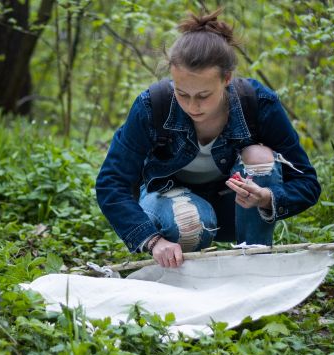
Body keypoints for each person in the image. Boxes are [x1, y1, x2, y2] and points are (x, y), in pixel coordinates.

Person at [95, 9, 321, 269]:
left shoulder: (258, 104)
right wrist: (153, 241)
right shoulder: (151, 105)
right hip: (173, 207)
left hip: (234, 210)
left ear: (227, 79)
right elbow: (111, 183)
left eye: (203, 95)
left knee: (259, 158)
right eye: (182, 93)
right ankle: (186, 277)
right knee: (188, 220)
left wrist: (266, 197)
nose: (192, 106)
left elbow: (307, 182)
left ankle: (255, 265)